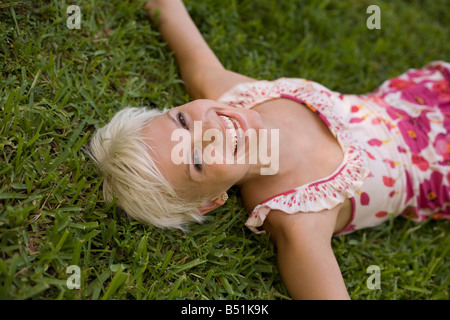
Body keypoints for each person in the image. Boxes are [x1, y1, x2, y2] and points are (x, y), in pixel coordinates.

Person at [89, 0, 450, 299]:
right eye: (197, 161)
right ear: (211, 201)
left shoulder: (230, 93)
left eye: (182, 122)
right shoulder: (298, 218)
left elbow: (175, 22)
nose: (209, 129)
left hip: (422, 96)